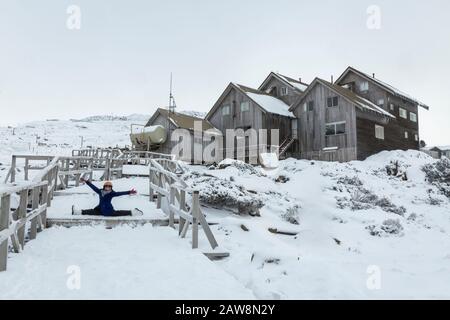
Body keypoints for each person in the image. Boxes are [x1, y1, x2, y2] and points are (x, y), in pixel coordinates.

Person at [72, 178, 143, 216]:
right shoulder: (100, 191)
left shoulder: (112, 193)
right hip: (100, 209)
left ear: (111, 188)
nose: (108, 187)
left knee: (120, 213)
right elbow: (93, 187)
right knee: (90, 211)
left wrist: (129, 192)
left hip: (108, 211)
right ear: (104, 187)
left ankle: (134, 213)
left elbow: (120, 193)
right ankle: (76, 212)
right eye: (106, 186)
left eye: (109, 186)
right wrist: (86, 181)